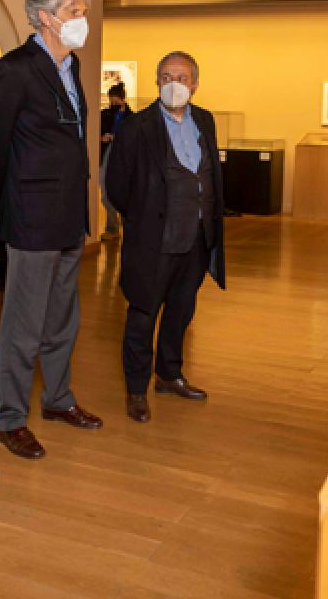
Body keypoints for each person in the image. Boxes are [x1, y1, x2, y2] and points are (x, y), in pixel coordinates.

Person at [0, 0, 103, 460]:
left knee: (62, 321)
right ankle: (11, 418)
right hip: (32, 219)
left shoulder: (71, 66)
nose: (82, 18)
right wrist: (4, 212)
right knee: (22, 326)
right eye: (74, 10)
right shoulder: (15, 69)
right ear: (46, 18)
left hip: (70, 214)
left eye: (84, 9)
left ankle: (58, 399)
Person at [106, 52, 226, 423]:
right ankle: (137, 390)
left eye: (183, 76)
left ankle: (170, 375)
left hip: (196, 238)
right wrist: (144, 219)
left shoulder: (204, 120)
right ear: (157, 82)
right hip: (154, 242)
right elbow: (117, 186)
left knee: (181, 310)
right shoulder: (137, 127)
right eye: (167, 75)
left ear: (195, 84)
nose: (175, 82)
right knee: (143, 314)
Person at [99, 82, 132, 238]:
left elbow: (133, 139)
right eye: (110, 99)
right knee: (105, 194)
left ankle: (126, 228)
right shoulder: (104, 114)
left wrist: (116, 138)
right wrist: (102, 137)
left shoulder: (133, 117)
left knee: (125, 193)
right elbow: (96, 131)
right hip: (106, 154)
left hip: (124, 157)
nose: (112, 102)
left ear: (122, 99)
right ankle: (112, 228)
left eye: (115, 99)